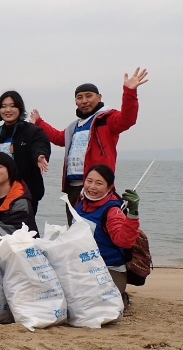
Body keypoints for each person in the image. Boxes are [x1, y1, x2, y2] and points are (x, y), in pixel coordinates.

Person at [30, 68, 149, 223]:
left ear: (99, 97)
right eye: (79, 97)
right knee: (75, 230)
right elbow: (59, 138)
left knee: (97, 229)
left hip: (96, 186)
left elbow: (128, 119)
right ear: (75, 102)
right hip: (73, 188)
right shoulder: (75, 126)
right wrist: (39, 123)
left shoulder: (107, 119)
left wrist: (130, 92)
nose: (84, 100)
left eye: (89, 96)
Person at [0, 91, 51, 220]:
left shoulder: (32, 131)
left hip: (25, 193)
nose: (8, 110)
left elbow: (40, 146)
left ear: (20, 109)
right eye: (3, 106)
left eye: (12, 106)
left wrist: (39, 156)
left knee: (21, 230)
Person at [75, 165, 140, 299]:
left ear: (109, 188)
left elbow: (124, 242)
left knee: (94, 300)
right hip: (83, 266)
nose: (92, 187)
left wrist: (133, 213)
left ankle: (122, 297)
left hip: (109, 268)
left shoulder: (112, 211)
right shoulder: (81, 203)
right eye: (89, 181)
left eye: (99, 183)